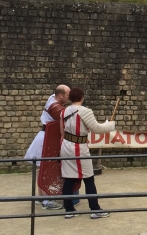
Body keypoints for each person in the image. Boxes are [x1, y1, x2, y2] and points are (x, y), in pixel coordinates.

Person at [60, 87, 115, 219]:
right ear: (82, 98)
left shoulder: (64, 111)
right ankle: (95, 209)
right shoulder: (85, 111)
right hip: (78, 147)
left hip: (66, 146)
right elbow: (97, 129)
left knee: (68, 178)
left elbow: (62, 131)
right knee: (88, 178)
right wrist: (111, 124)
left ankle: (69, 209)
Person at [24, 85, 70, 210]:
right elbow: (67, 118)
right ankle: (46, 201)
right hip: (46, 139)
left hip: (46, 137)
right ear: (60, 95)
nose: (69, 97)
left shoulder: (52, 98)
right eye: (67, 95)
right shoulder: (54, 106)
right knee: (46, 169)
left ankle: (41, 197)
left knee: (43, 169)